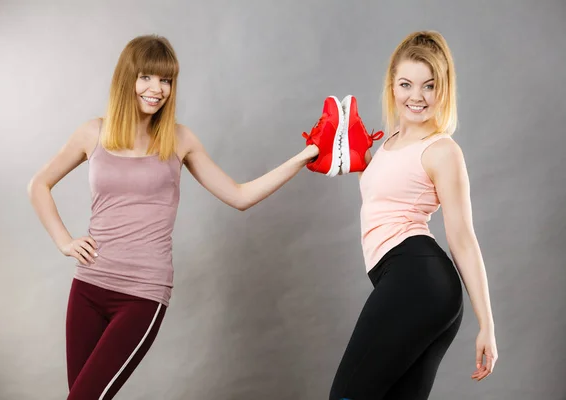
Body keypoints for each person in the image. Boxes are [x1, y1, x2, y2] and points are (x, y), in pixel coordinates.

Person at [26, 34, 325, 399]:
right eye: (147, 77)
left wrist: (304, 156)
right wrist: (64, 241)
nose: (157, 89)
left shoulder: (180, 140)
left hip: (141, 294)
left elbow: (240, 195)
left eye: (166, 80)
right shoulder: (94, 133)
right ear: (128, 79)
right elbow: (39, 184)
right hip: (88, 287)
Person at [326, 31, 498, 400]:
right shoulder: (388, 145)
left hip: (416, 280)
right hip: (415, 285)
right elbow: (383, 191)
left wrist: (487, 324)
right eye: (406, 84)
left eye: (429, 86)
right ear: (392, 86)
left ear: (444, 90)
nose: (416, 96)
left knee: (347, 394)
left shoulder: (441, 151)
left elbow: (463, 238)